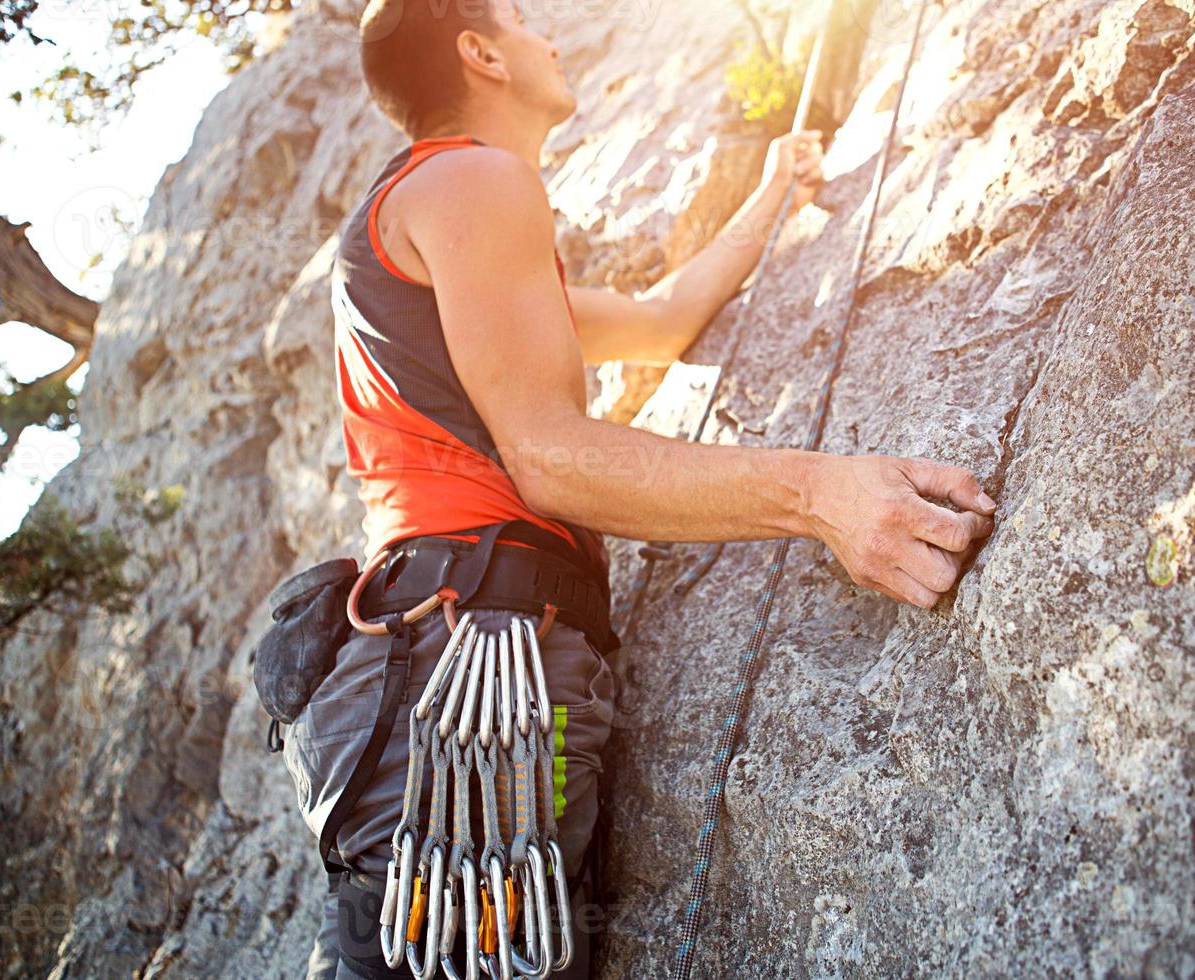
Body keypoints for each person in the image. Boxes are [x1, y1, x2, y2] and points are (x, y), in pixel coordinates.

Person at [284, 1, 996, 977]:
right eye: (527, 22)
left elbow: (663, 320)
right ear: (479, 52)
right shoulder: (469, 179)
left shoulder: (442, 224)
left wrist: (773, 192)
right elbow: (550, 455)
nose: (551, 37)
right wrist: (820, 494)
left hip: (461, 659)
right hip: (467, 659)